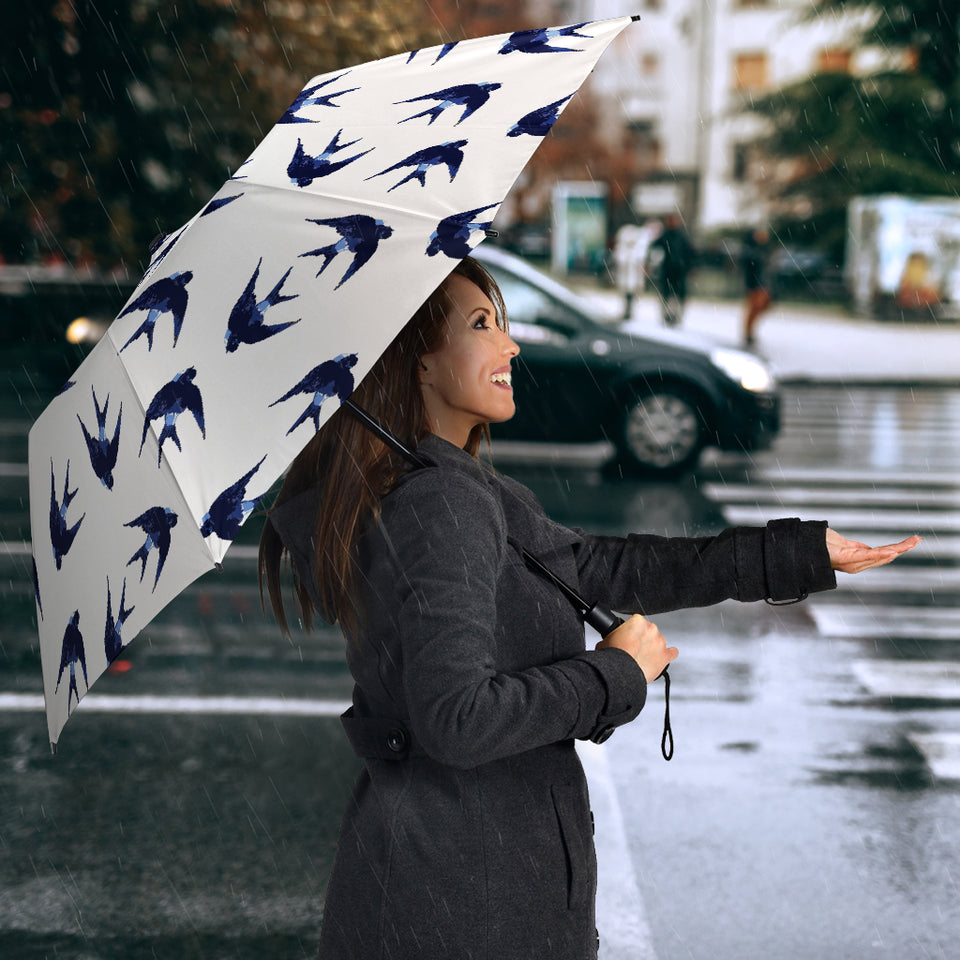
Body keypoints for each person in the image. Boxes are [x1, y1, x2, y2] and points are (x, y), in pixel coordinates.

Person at [258, 256, 919, 960]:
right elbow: (456, 719)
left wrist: (796, 554)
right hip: (467, 902)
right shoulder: (440, 504)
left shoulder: (448, 488)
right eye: (482, 325)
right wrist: (614, 673)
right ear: (417, 363)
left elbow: (603, 567)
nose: (510, 345)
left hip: (453, 883)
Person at [648, 213, 695, 327]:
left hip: (679, 271)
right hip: (668, 270)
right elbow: (654, 249)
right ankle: (667, 315)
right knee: (667, 294)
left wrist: (690, 267)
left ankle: (675, 316)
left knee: (677, 295)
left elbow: (690, 253)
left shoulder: (681, 237)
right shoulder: (665, 236)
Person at [741, 226, 773, 347]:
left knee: (762, 306)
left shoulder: (763, 249)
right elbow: (750, 265)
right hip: (755, 284)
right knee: (754, 308)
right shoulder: (751, 250)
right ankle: (748, 333)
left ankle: (750, 331)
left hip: (763, 283)